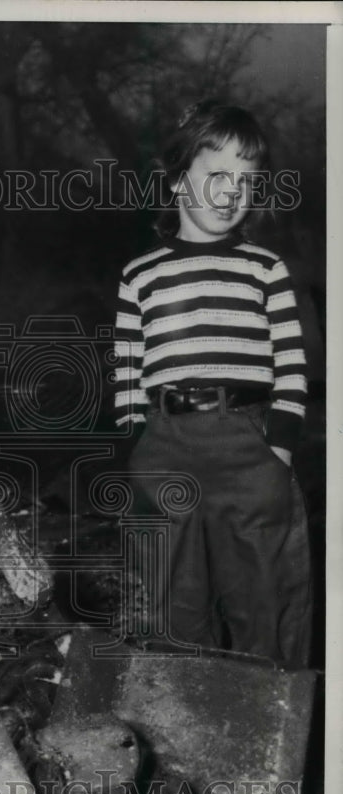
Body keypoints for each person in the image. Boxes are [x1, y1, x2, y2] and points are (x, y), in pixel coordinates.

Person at [112, 99, 311, 665]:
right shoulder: (141, 274)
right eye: (215, 175)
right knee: (175, 600)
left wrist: (280, 444)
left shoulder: (264, 268)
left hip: (249, 443)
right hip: (167, 442)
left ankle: (267, 725)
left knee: (262, 593)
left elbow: (291, 362)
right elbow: (127, 363)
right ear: (177, 181)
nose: (230, 192)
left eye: (245, 181)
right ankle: (185, 730)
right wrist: (135, 438)